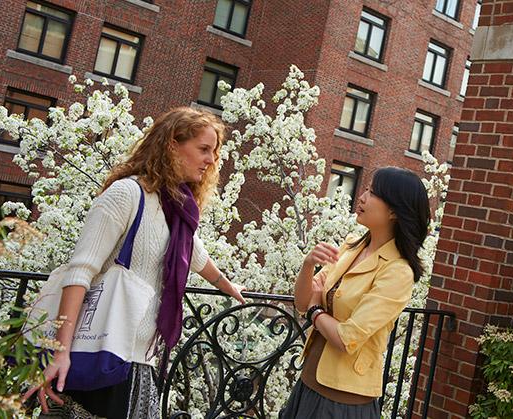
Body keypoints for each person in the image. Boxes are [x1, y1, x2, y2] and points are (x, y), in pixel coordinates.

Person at [23, 107, 246, 418]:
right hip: (97, 354)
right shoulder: (126, 194)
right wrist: (59, 353)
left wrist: (226, 285)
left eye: (214, 151)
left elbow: (195, 255)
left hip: (139, 361)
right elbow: (80, 270)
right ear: (172, 145)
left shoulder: (176, 208)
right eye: (204, 149)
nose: (212, 160)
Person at [281, 166, 431, 419]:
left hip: (343, 399)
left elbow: (346, 338)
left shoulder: (397, 272)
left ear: (394, 210)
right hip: (309, 381)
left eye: (372, 192)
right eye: (365, 189)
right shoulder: (351, 246)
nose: (361, 197)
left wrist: (317, 312)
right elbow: (302, 302)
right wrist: (308, 265)